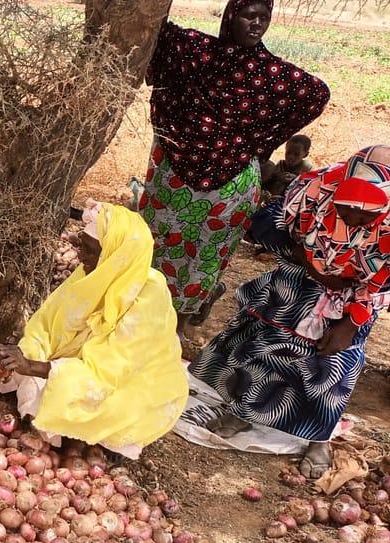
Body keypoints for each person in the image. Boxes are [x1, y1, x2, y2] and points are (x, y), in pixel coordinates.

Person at [190, 146, 390, 480]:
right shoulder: (316, 186)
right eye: (344, 211)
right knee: (269, 344)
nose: (352, 222)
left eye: (364, 217)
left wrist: (351, 322)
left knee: (333, 363)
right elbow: (273, 224)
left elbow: (382, 280)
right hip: (299, 277)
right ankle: (246, 411)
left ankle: (317, 436)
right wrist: (304, 259)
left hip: (355, 294)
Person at [139, 0, 329, 329]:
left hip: (229, 187)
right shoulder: (194, 50)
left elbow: (317, 94)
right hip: (173, 179)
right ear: (230, 16)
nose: (257, 24)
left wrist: (259, 141)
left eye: (264, 18)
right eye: (248, 15)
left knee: (204, 258)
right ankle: (137, 315)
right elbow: (155, 29)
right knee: (155, 245)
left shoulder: (271, 73)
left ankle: (177, 329)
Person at [0, 201, 188, 460]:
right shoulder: (93, 272)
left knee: (90, 405)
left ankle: (103, 438)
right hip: (86, 365)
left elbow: (109, 373)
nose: (80, 257)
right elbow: (47, 325)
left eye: (90, 250)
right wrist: (25, 354)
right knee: (40, 388)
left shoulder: (148, 299)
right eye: (81, 245)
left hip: (131, 385)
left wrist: (33, 367)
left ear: (113, 257)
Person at [249, 134, 315, 249]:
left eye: (296, 154)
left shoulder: (306, 168)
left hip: (290, 208)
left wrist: (295, 179)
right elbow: (270, 184)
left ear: (305, 154)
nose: (290, 157)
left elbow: (308, 189)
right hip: (273, 203)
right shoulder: (280, 165)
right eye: (288, 153)